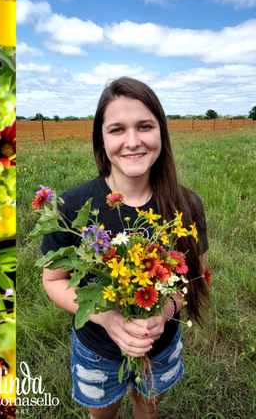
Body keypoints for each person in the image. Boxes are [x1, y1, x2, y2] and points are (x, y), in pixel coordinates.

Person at [41, 77, 210, 419]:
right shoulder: (71, 208)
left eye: (145, 126)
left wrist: (165, 311)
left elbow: (194, 277)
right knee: (102, 413)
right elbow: (53, 280)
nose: (132, 141)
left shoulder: (186, 203)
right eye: (117, 129)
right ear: (101, 140)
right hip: (98, 349)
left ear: (161, 133)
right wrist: (107, 317)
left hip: (160, 347)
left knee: (148, 410)